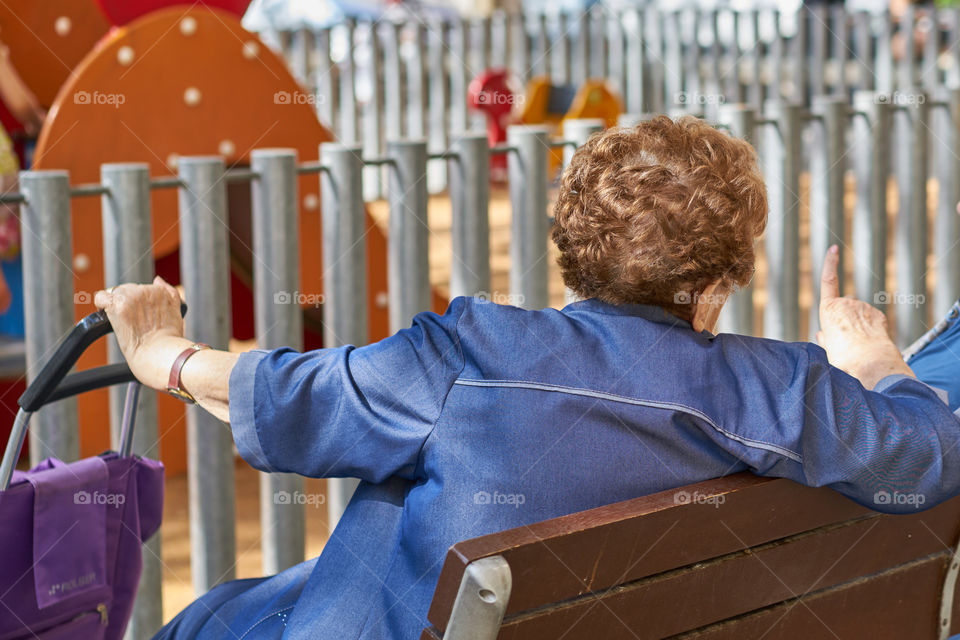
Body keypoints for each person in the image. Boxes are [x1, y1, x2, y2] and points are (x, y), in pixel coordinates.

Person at [95, 116, 960, 639]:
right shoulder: (780, 390)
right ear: (718, 286)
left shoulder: (471, 356)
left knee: (215, 618)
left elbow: (289, 401)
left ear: (575, 252)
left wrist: (163, 355)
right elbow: (927, 457)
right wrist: (876, 360)